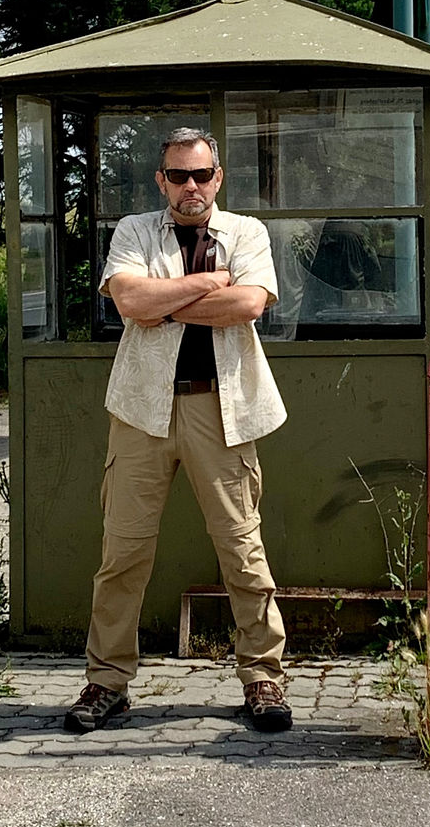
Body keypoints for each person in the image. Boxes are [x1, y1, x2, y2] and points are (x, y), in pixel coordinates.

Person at [64, 127, 292, 734]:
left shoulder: (247, 232)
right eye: (178, 176)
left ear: (218, 178)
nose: (191, 186)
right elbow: (128, 302)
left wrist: (162, 303)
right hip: (143, 410)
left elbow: (248, 305)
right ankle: (107, 681)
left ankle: (262, 676)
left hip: (222, 409)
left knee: (242, 549)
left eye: (201, 174)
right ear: (161, 181)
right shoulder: (135, 231)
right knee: (123, 553)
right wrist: (209, 284)